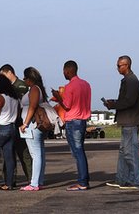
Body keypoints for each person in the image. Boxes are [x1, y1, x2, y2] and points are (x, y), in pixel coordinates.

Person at [103, 55, 139, 190]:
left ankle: (135, 181)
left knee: (130, 152)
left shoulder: (131, 80)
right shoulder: (127, 80)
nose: (117, 68)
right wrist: (114, 103)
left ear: (126, 65)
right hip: (127, 120)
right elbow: (127, 100)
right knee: (123, 151)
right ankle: (121, 179)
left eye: (119, 65)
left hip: (131, 120)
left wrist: (114, 105)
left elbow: (129, 101)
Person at [51, 60, 91, 191]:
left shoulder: (69, 86)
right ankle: (83, 180)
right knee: (80, 151)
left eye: (64, 70)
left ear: (68, 70)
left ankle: (82, 181)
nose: (63, 73)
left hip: (73, 122)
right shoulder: (86, 84)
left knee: (77, 152)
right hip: (83, 120)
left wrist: (58, 96)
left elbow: (67, 106)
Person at [0, 64, 32, 181]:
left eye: (3, 75)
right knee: (8, 153)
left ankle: (31, 178)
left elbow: (20, 105)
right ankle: (9, 180)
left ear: (9, 73)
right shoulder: (8, 87)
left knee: (23, 152)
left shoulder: (21, 86)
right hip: (10, 124)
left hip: (19, 123)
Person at [18, 66, 48, 191]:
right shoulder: (38, 89)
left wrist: (25, 123)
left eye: (25, 78)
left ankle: (34, 183)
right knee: (39, 153)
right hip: (35, 126)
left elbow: (32, 107)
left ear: (29, 78)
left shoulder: (34, 89)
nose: (24, 80)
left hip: (32, 126)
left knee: (35, 154)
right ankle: (38, 181)